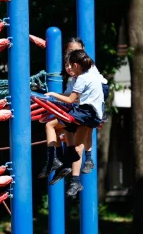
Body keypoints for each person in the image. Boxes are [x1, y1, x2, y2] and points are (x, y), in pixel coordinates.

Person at [44, 50, 105, 197]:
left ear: (76, 65)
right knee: (75, 142)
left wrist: (53, 94)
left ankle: (54, 159)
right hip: (94, 115)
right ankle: (74, 176)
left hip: (85, 113)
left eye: (70, 65)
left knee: (50, 125)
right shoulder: (93, 76)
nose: (69, 68)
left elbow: (70, 99)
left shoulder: (81, 78)